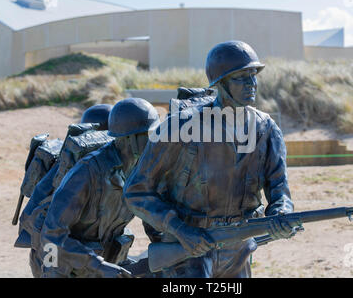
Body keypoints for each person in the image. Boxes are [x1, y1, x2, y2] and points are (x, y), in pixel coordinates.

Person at [123, 40, 301, 278]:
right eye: (241, 77)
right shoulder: (181, 127)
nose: (252, 83)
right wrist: (180, 229)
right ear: (221, 83)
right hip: (190, 248)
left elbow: (279, 188)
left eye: (253, 75)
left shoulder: (266, 129)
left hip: (238, 249)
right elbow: (136, 191)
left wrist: (281, 214)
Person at [38, 98, 160, 278]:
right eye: (149, 135)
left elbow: (154, 220)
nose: (155, 141)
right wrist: (98, 266)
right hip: (66, 265)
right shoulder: (87, 172)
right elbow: (51, 235)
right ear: (129, 139)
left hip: (107, 263)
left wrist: (175, 246)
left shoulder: (142, 171)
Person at [15, 104, 114, 277]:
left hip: (79, 251)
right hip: (49, 249)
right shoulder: (66, 164)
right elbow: (34, 214)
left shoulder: (104, 167)